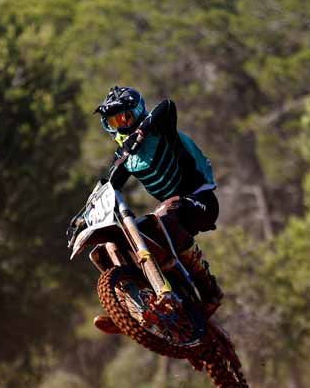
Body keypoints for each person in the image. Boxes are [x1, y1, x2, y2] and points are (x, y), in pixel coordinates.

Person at [91, 85, 224, 334]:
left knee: (164, 214)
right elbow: (109, 187)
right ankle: (132, 309)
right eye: (114, 121)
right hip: (170, 211)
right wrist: (82, 218)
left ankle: (210, 290)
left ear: (138, 113)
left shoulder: (160, 129)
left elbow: (167, 106)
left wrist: (141, 132)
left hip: (200, 200)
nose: (122, 125)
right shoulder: (125, 155)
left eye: (125, 117)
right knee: (124, 239)